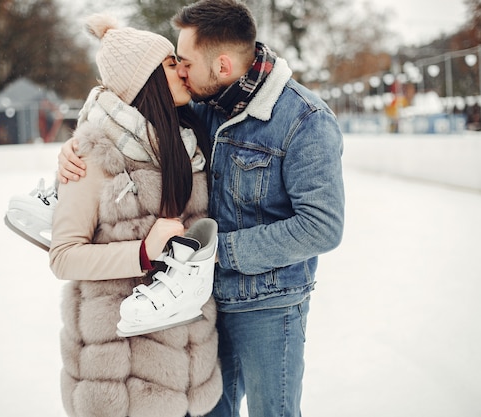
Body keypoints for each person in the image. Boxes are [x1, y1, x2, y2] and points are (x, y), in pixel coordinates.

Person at [58, 1, 345, 416]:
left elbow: (322, 227)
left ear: (223, 65)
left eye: (185, 62)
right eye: (175, 63)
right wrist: (76, 150)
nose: (183, 72)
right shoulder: (204, 107)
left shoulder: (304, 119)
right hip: (200, 307)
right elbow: (126, 106)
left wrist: (211, 253)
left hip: (267, 304)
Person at [48, 13, 222, 417]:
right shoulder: (93, 153)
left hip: (187, 363)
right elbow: (63, 256)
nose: (181, 69)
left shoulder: (188, 144)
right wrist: (143, 251)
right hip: (121, 376)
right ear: (144, 78)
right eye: (168, 64)